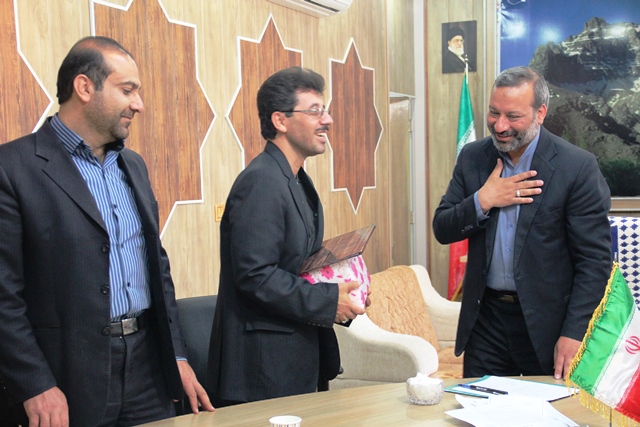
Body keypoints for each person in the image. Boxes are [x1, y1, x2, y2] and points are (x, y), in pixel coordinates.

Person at [0, 36, 214, 426]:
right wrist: (33, 383)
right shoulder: (12, 168)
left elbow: (158, 269)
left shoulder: (134, 165)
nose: (139, 104)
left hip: (149, 370)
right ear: (85, 87)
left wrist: (177, 356)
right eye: (127, 90)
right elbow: (3, 296)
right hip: (66, 376)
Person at [433, 66, 612, 380]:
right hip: (486, 321)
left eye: (512, 116)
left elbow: (594, 262)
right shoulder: (473, 157)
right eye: (494, 113)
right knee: (479, 406)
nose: (500, 125)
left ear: (540, 113)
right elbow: (442, 228)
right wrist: (483, 200)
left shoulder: (577, 167)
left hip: (548, 326)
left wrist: (574, 332)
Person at [207, 66, 367, 406]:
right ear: (280, 120)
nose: (327, 120)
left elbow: (298, 267)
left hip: (295, 357)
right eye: (315, 111)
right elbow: (256, 276)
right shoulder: (261, 181)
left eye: (325, 110)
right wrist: (328, 300)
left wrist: (346, 290)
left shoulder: (295, 179)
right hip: (263, 370)